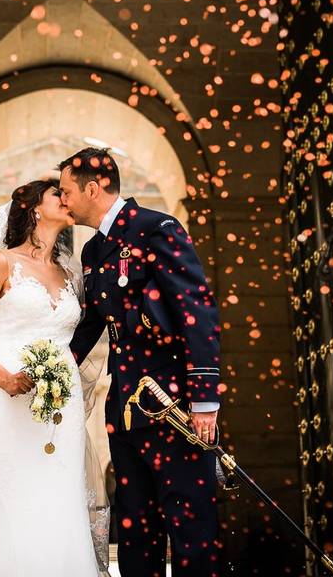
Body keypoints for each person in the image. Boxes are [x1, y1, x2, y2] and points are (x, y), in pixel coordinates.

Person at [58, 147, 223, 576]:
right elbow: (90, 324)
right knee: (136, 530)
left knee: (191, 527)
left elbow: (196, 310)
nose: (63, 200)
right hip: (126, 410)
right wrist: (53, 372)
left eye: (66, 190)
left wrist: (204, 401)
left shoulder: (157, 229)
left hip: (173, 409)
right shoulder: (93, 252)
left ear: (93, 188)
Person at [0, 179, 109, 576]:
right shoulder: (3, 263)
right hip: (9, 399)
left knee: (61, 501)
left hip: (62, 406)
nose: (66, 198)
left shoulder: (71, 273)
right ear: (35, 208)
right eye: (57, 194)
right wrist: (3, 379)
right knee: (15, 503)